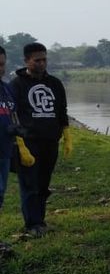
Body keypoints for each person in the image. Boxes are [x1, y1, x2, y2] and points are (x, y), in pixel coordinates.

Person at [10, 42, 72, 237]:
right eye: (37, 60)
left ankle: (41, 221)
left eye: (44, 60)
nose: (42, 64)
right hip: (27, 144)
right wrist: (19, 142)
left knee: (43, 185)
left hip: (50, 142)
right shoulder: (16, 85)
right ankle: (32, 223)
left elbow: (61, 111)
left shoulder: (55, 84)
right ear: (26, 61)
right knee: (29, 185)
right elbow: (11, 115)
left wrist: (66, 134)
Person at [0, 46, 18, 257]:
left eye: (2, 64)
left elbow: (13, 116)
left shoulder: (7, 90)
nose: (0, 68)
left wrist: (16, 129)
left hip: (4, 152)